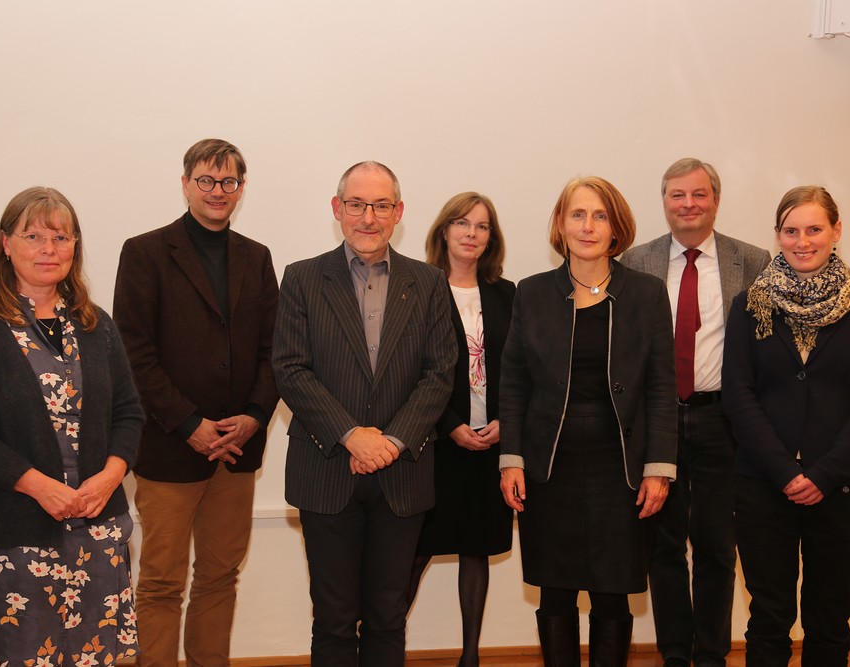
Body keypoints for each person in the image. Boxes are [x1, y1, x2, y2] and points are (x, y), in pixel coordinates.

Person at [0, 187, 144, 666]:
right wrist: (38, 486)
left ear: (75, 246)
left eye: (61, 237)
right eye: (33, 236)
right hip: (10, 540)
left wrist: (110, 476)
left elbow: (129, 412)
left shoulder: (95, 325)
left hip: (95, 532)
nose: (49, 249)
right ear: (6, 244)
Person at [272, 161, 456, 666]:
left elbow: (440, 374)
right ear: (337, 209)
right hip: (326, 469)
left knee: (387, 616)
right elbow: (290, 369)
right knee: (332, 618)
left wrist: (391, 442)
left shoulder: (429, 282)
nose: (368, 217)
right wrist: (352, 436)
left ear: (398, 213)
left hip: (403, 476)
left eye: (380, 206)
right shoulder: (302, 278)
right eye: (356, 204)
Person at [113, 139, 279, 667]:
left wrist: (253, 417)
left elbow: (274, 351)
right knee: (161, 581)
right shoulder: (144, 252)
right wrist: (188, 423)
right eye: (206, 180)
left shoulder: (257, 257)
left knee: (219, 576)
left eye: (228, 182)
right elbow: (132, 353)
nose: (217, 191)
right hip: (168, 446)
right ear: (185, 183)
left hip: (235, 448)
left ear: (241, 190)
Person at [499, 176, 677, 667]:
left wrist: (659, 466)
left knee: (613, 591)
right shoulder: (532, 294)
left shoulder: (646, 294)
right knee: (554, 590)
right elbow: (513, 384)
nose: (588, 225)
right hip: (547, 466)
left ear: (616, 228)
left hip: (620, 467)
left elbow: (662, 387)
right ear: (561, 224)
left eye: (600, 215)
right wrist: (510, 460)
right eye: (578, 214)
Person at [722, 186, 850, 666]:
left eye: (814, 229)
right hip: (763, 487)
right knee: (769, 619)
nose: (802, 241)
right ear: (778, 236)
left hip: (840, 491)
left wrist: (823, 474)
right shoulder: (748, 308)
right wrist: (785, 472)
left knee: (830, 620)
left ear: (836, 231)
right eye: (791, 230)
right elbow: (738, 397)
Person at [621, 158, 770, 667]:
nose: (688, 204)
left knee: (715, 546)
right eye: (677, 195)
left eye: (698, 194)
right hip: (655, 420)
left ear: (715, 200)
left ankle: (710, 654)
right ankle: (674, 654)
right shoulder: (636, 262)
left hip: (721, 420)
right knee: (661, 548)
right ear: (663, 201)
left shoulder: (751, 260)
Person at [407, 192, 515, 667]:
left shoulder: (507, 294)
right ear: (443, 232)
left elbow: (521, 368)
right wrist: (449, 425)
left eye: (482, 226)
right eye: (462, 223)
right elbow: (411, 372)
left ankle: (470, 656)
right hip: (435, 445)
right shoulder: (418, 290)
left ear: (491, 238)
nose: (472, 233)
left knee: (477, 547)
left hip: (491, 445)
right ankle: (379, 645)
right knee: (415, 549)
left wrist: (504, 422)